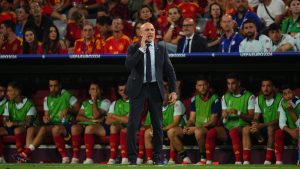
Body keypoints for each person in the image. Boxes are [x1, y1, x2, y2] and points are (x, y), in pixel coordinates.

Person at [125, 22, 177, 165]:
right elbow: (128, 65)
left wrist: (173, 90)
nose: (150, 32)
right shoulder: (134, 47)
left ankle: (157, 159)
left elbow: (170, 71)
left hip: (155, 88)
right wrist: (141, 49)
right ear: (140, 33)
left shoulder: (161, 48)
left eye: (152, 29)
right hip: (138, 88)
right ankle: (132, 160)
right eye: (146, 30)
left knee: (158, 125)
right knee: (132, 125)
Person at [14, 79, 81, 163]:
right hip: (52, 125)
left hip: (65, 125)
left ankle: (25, 153)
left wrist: (68, 109)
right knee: (31, 129)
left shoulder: (68, 95)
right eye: (51, 86)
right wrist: (45, 118)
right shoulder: (47, 99)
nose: (53, 88)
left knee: (43, 129)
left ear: (60, 86)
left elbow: (78, 110)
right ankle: (27, 157)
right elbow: (46, 115)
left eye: (55, 86)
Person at [169, 76, 221, 165]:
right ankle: (185, 158)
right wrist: (187, 126)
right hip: (195, 128)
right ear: (196, 87)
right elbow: (192, 119)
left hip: (208, 128)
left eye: (204, 85)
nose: (202, 88)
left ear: (208, 86)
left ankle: (203, 158)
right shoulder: (194, 99)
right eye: (200, 85)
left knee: (198, 131)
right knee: (171, 131)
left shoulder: (215, 99)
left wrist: (195, 127)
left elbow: (213, 121)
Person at [205, 73, 255, 164]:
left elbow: (251, 118)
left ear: (238, 83)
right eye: (228, 83)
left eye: (233, 83)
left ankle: (239, 161)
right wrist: (223, 117)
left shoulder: (249, 96)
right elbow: (222, 120)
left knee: (234, 132)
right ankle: (208, 162)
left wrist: (237, 112)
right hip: (227, 128)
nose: (230, 86)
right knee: (211, 132)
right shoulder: (225, 96)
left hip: (242, 127)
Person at [143, 82, 186, 165]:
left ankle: (172, 159)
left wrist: (160, 129)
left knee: (171, 131)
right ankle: (149, 160)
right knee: (147, 133)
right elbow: (148, 123)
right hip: (163, 131)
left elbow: (175, 123)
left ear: (169, 95)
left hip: (180, 131)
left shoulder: (177, 103)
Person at [242, 78, 282, 164]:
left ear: (273, 87)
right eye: (263, 86)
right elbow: (256, 117)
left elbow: (279, 120)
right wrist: (255, 124)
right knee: (246, 129)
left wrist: (262, 125)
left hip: (277, 127)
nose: (265, 88)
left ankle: (268, 159)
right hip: (265, 126)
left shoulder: (280, 98)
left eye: (268, 86)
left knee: (270, 128)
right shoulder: (258, 99)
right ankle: (246, 160)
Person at [71, 82, 110, 164]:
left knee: (89, 128)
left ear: (101, 91)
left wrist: (95, 99)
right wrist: (90, 121)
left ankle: (89, 158)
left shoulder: (105, 102)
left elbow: (96, 115)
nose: (95, 91)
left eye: (97, 89)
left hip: (99, 127)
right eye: (92, 89)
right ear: (89, 91)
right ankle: (75, 157)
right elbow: (78, 117)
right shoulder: (85, 103)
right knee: (74, 128)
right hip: (87, 124)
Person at [3, 82, 37, 159]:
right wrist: (6, 123)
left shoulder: (29, 104)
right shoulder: (8, 104)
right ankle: (1, 157)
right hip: (15, 127)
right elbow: (5, 121)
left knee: (17, 130)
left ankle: (21, 156)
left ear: (17, 91)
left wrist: (13, 123)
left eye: (9, 91)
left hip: (30, 128)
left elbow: (28, 123)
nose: (7, 93)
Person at [274, 84, 300, 165]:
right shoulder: (282, 103)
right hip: (290, 131)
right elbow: (281, 123)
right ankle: (278, 161)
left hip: (298, 129)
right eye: (285, 94)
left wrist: (291, 111)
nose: (287, 96)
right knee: (278, 132)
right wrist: (290, 131)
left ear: (294, 92)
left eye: (289, 93)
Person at [106, 83, 130, 165]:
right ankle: (112, 158)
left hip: (133, 127)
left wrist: (113, 116)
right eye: (121, 90)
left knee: (125, 128)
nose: (124, 92)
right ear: (119, 92)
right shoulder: (114, 103)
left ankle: (125, 158)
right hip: (119, 125)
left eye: (125, 89)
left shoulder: (134, 102)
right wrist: (122, 118)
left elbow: (128, 121)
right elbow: (107, 121)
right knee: (113, 127)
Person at [0, 83, 7, 163]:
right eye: (0, 91)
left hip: (5, 127)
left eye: (3, 91)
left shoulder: (7, 103)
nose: (2, 93)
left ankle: (1, 158)